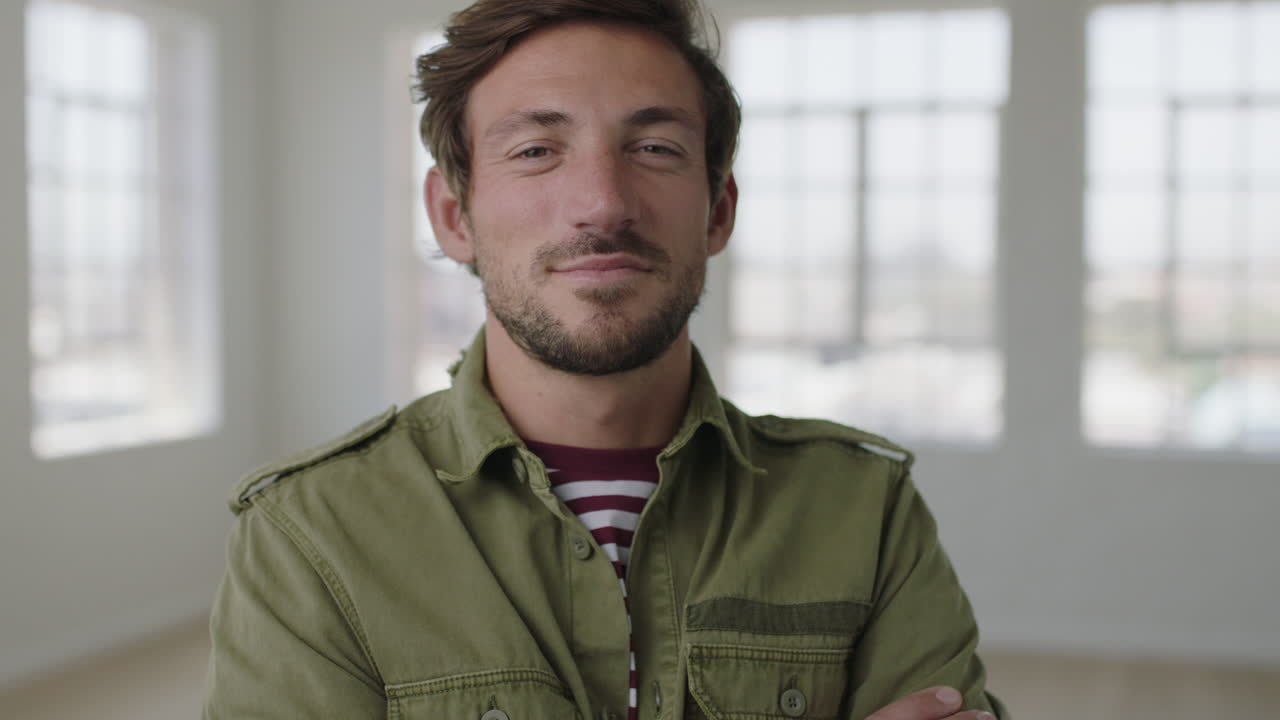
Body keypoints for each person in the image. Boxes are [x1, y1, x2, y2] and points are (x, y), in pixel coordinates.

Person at [203, 0, 1008, 718]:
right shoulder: (310, 534)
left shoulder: (865, 509)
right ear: (454, 216)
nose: (603, 202)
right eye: (535, 151)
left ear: (717, 210)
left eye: (655, 148)